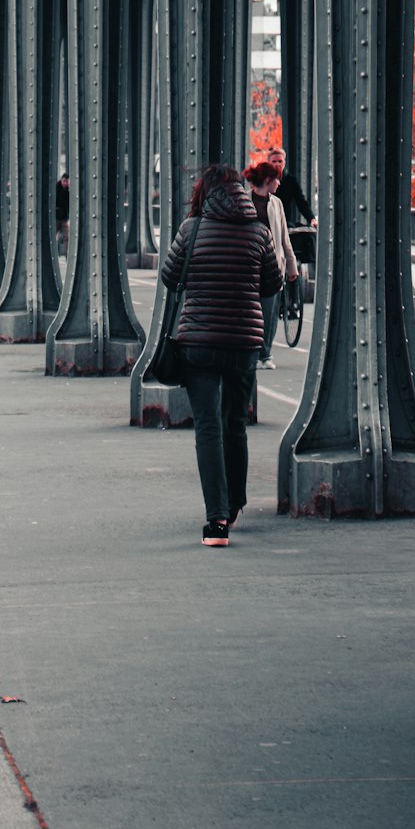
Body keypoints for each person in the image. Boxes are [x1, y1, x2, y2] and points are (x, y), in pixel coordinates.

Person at [160, 163, 281, 548]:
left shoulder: (191, 230)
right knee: (235, 424)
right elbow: (273, 283)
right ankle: (234, 503)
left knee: (208, 428)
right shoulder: (259, 232)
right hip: (244, 343)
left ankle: (217, 521)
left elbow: (168, 276)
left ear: (204, 193)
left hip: (198, 342)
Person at [244, 161, 299, 370]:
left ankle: (265, 354)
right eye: (276, 179)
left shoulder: (276, 203)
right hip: (248, 265)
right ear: (268, 180)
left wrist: (291, 265)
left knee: (269, 311)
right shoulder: (244, 200)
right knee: (250, 311)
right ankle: (251, 351)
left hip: (272, 265)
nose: (279, 183)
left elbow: (284, 237)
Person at [265, 147, 315, 227]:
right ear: (268, 163)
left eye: (280, 161)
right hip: (267, 222)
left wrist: (312, 219)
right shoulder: (263, 180)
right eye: (274, 161)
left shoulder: (291, 180)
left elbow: (301, 202)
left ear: (284, 163)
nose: (277, 164)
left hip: (285, 222)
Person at [55, 172, 70, 254]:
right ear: (61, 180)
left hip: (64, 217)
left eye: (67, 181)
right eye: (64, 181)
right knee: (53, 235)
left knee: (67, 237)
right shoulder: (56, 189)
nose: (65, 183)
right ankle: (55, 252)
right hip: (56, 217)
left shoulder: (69, 190)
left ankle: (66, 254)